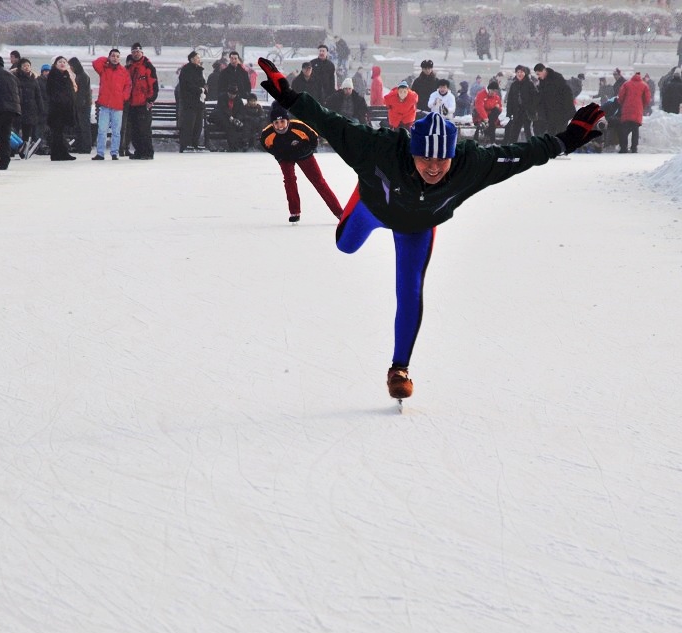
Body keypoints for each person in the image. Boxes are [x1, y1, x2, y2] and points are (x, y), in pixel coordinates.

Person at [257, 57, 605, 400]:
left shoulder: (472, 164)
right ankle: (361, 196)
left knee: (409, 290)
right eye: (425, 158)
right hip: (374, 206)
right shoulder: (379, 149)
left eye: (443, 160)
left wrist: (565, 141)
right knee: (345, 246)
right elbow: (330, 122)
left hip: (417, 226)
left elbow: (520, 154)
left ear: (454, 155)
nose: (434, 168)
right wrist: (289, 98)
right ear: (412, 151)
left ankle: (400, 369)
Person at [259, 102, 344, 223]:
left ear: (287, 121)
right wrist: (278, 155)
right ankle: (294, 212)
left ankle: (339, 212)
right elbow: (267, 145)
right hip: (285, 157)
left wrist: (307, 150)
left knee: (318, 181)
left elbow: (314, 138)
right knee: (289, 181)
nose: (280, 126)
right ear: (272, 124)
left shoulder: (299, 126)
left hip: (303, 154)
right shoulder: (267, 134)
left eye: (282, 121)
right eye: (276, 123)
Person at [91, 48, 130, 160]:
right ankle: (100, 153)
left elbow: (128, 86)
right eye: (113, 56)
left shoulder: (123, 71)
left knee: (116, 131)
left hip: (118, 106)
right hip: (105, 105)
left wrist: (124, 97)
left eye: (117, 56)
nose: (115, 58)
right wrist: (106, 59)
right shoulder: (104, 68)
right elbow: (95, 63)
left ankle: (114, 152)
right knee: (102, 130)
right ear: (109, 57)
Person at [126, 42, 158, 160]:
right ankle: (139, 151)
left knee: (144, 129)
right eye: (134, 52)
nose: (136, 54)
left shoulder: (148, 66)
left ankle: (148, 152)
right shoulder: (129, 67)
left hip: (144, 103)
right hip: (132, 103)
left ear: (142, 53)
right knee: (134, 130)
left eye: (138, 52)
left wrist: (151, 99)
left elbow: (154, 84)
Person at [46, 56, 78, 161]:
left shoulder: (66, 75)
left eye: (64, 62)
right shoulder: (53, 75)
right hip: (56, 109)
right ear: (55, 64)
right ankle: (57, 154)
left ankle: (62, 153)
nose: (62, 63)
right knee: (57, 132)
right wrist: (61, 101)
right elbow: (53, 93)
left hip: (65, 108)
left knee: (60, 132)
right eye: (60, 62)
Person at [177, 50, 207, 151]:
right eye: (197, 58)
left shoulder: (200, 70)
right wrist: (198, 90)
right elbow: (187, 85)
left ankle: (195, 143)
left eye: (199, 58)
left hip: (199, 101)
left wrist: (205, 89)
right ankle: (186, 144)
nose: (199, 60)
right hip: (189, 101)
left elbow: (203, 82)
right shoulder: (186, 70)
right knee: (189, 123)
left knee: (198, 124)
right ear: (192, 59)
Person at [533, 63, 573, 136]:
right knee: (551, 135)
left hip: (561, 113)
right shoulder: (541, 83)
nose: (538, 76)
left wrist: (569, 110)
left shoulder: (557, 78)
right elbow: (542, 98)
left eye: (538, 74)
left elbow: (567, 94)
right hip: (549, 115)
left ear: (544, 71)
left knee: (561, 135)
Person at [14, 59, 45, 148]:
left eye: (28, 65)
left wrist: (40, 108)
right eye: (24, 66)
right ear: (20, 67)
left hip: (31, 108)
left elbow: (38, 95)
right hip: (20, 108)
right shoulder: (16, 78)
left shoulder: (33, 79)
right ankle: (16, 147)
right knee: (16, 129)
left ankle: (26, 148)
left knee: (28, 130)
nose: (26, 68)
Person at [617, 70, 650, 153]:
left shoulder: (626, 84)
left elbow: (620, 96)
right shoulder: (644, 85)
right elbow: (647, 99)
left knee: (624, 129)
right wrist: (642, 106)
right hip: (638, 109)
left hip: (626, 109)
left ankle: (623, 148)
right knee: (635, 130)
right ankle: (634, 148)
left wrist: (623, 103)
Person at [503, 65, 537, 143]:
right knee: (514, 131)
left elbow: (535, 98)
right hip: (516, 112)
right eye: (518, 72)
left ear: (525, 73)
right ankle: (512, 148)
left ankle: (532, 148)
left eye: (521, 72)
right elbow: (510, 100)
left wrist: (533, 109)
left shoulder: (529, 84)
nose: (519, 74)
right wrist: (509, 113)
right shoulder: (514, 85)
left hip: (527, 112)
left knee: (528, 131)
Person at [209, 84, 247, 151]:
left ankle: (236, 146)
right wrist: (230, 117)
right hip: (221, 118)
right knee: (229, 126)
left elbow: (241, 112)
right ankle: (233, 147)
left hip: (232, 121)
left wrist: (237, 119)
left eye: (234, 94)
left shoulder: (238, 100)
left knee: (233, 127)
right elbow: (223, 109)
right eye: (230, 94)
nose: (232, 95)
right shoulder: (222, 97)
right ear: (228, 92)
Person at [68, 57, 92, 154]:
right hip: (82, 105)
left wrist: (78, 104)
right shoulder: (80, 75)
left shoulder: (82, 76)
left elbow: (81, 93)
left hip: (83, 106)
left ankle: (86, 147)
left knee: (84, 127)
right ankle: (81, 145)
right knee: (80, 127)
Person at [473, 79, 502, 144]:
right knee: (488, 124)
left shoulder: (496, 97)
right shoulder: (481, 94)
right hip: (480, 115)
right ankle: (490, 141)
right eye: (493, 91)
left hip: (492, 117)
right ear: (489, 89)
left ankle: (491, 141)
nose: (494, 93)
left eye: (495, 91)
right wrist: (485, 118)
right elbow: (479, 107)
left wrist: (498, 108)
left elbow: (500, 108)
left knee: (493, 121)